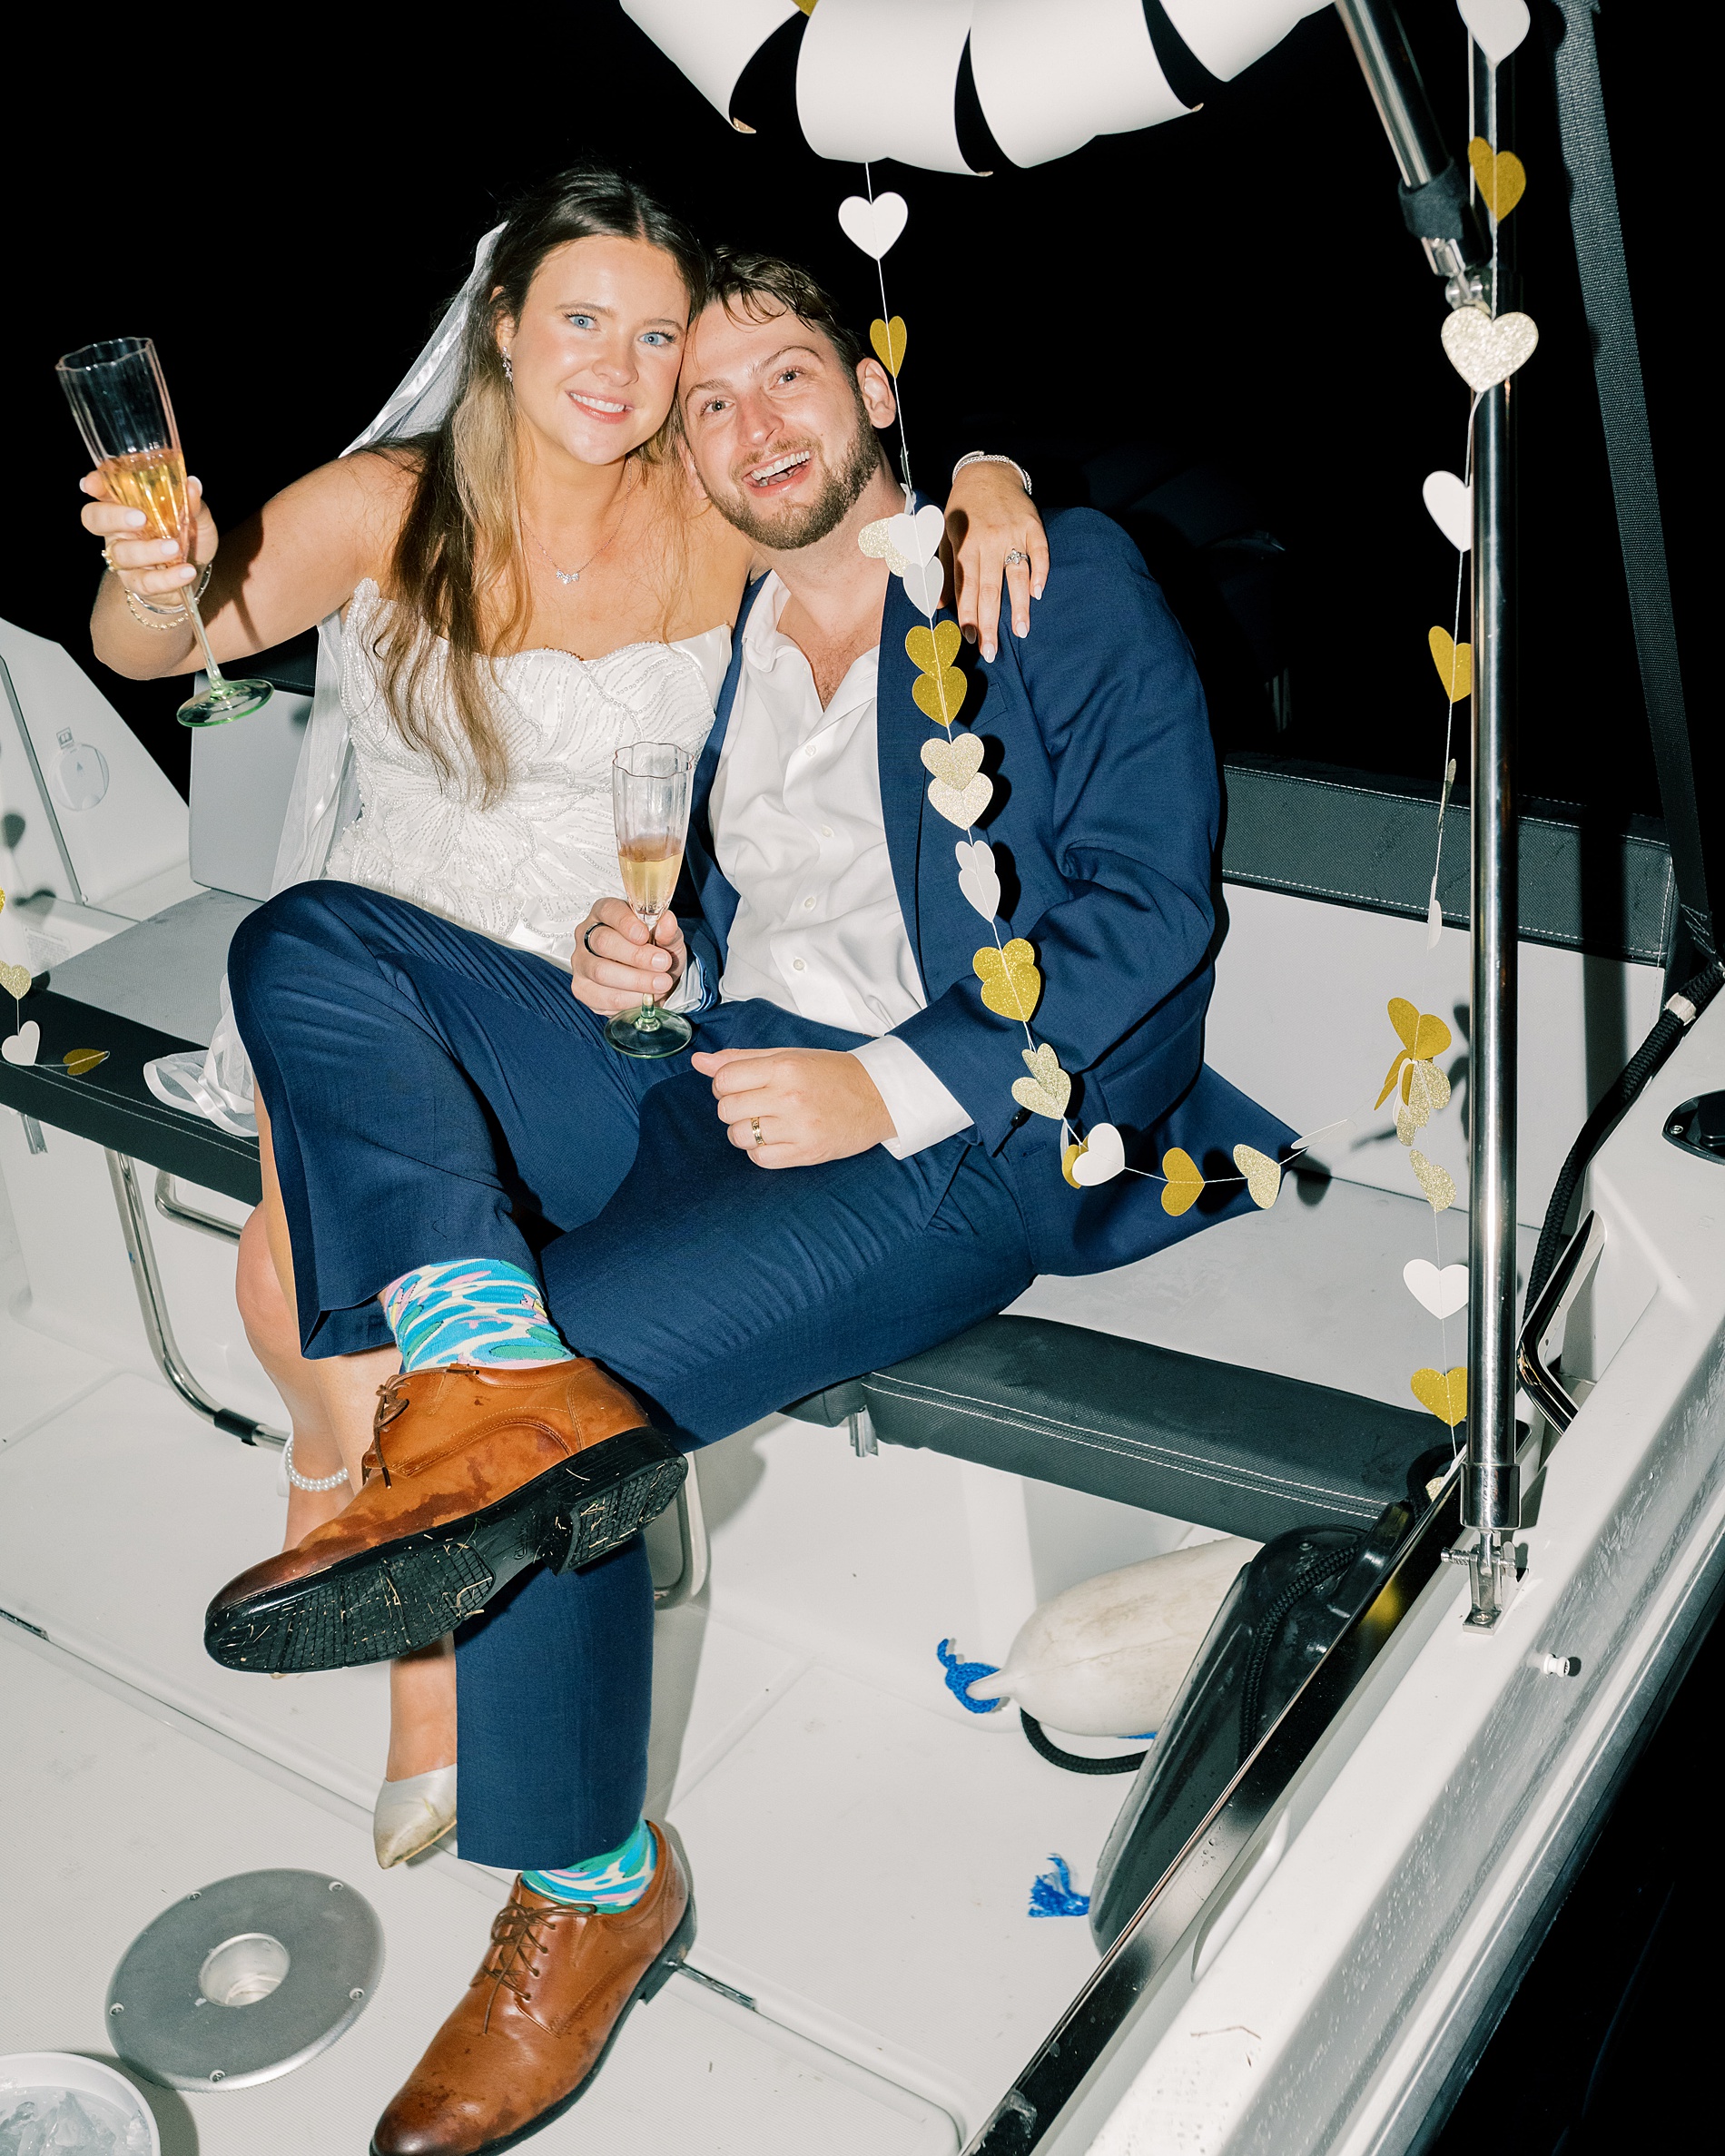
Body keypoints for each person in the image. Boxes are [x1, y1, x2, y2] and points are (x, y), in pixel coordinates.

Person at [203, 244, 1291, 2153]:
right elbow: (757, 912)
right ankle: (465, 1345)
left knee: (578, 1377)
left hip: (958, 1137)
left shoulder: (1029, 572)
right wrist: (660, 971)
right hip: (707, 1071)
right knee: (315, 947)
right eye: (705, 404)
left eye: (783, 377)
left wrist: (874, 1085)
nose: (743, 424)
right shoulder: (725, 644)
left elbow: (1142, 918)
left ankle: (593, 1887)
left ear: (878, 393)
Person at [76, 166, 1045, 1869]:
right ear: (502, 330)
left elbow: (843, 470)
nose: (623, 361)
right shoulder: (396, 501)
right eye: (581, 318)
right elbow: (177, 643)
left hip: (612, 1007)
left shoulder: (703, 502)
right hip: (387, 984)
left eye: (659, 333)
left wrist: (988, 470)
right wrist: (158, 576)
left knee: (342, 1291)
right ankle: (406, 1604)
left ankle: (407, 1570)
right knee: (302, 1284)